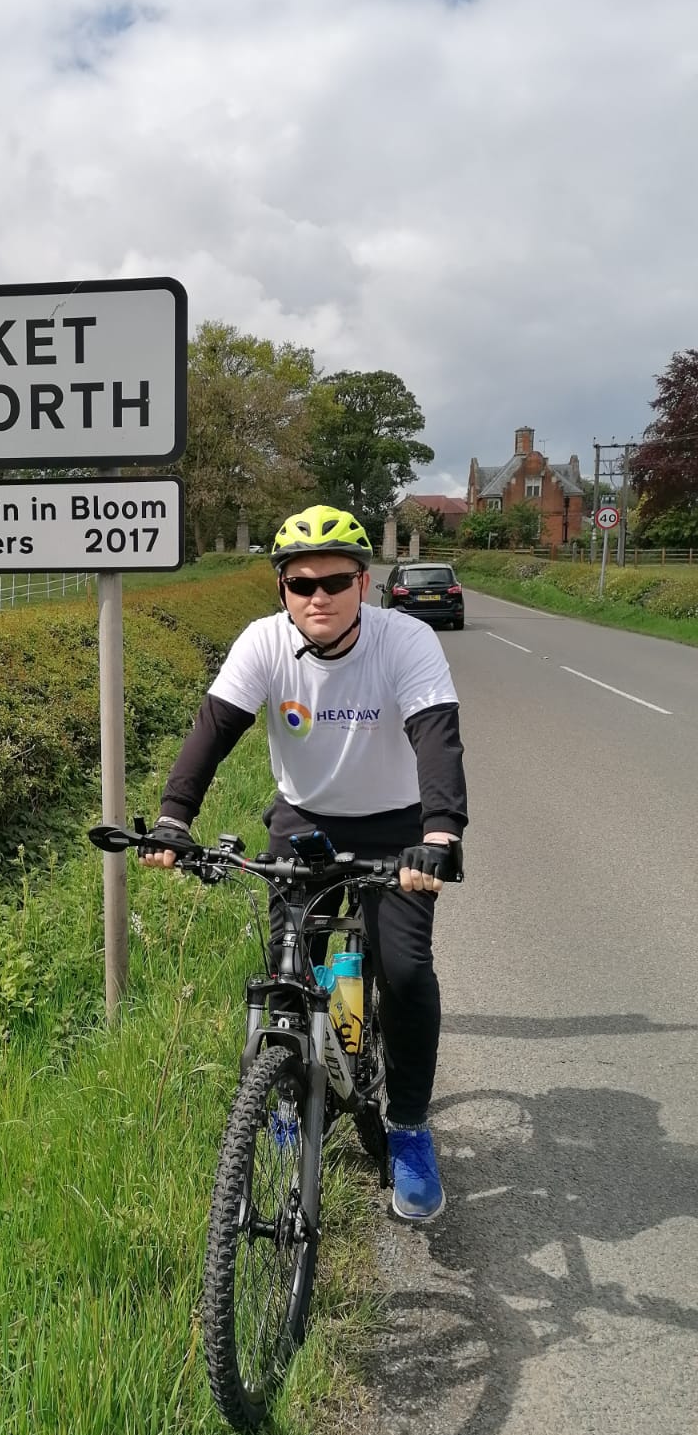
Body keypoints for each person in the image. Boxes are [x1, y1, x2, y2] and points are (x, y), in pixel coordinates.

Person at [142, 504, 467, 1220]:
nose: (317, 597)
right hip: (304, 821)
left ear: (365, 583)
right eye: (300, 584)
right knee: (289, 976)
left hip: (397, 828)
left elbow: (436, 739)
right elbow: (213, 730)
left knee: (406, 973)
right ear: (282, 588)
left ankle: (410, 1129)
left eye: (334, 581)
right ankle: (289, 1094)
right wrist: (173, 818)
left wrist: (440, 835)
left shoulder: (405, 641)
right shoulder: (264, 643)